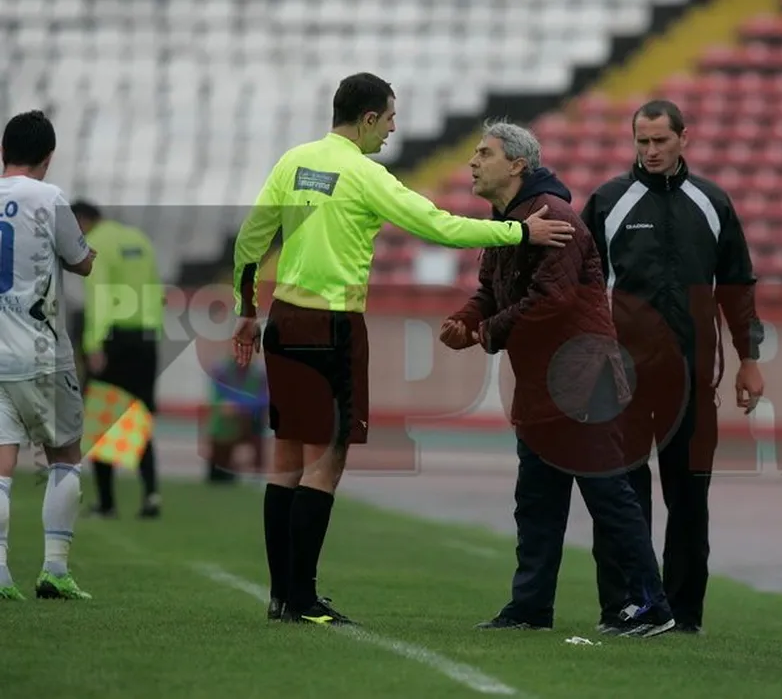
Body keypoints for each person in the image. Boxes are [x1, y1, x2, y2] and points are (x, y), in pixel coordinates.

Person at [230, 73, 577, 626]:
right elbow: (438, 226)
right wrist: (518, 233)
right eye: (389, 118)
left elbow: (251, 240)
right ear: (368, 118)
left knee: (286, 460)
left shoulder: (293, 161)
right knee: (325, 462)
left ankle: (280, 596)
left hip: (285, 319)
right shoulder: (365, 173)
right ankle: (302, 599)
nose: (393, 129)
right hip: (333, 325)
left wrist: (246, 310)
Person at [440, 119, 676, 637]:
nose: (473, 162)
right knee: (537, 503)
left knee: (609, 498)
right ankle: (530, 608)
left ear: (517, 165)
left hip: (583, 377)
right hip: (541, 384)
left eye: (484, 153)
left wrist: (486, 332)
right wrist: (466, 319)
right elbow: (490, 290)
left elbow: (554, 299)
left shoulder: (554, 217)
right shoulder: (507, 223)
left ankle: (651, 605)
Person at [581, 100, 765, 634]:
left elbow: (737, 286)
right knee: (622, 496)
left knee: (689, 499)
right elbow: (582, 289)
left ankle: (684, 615)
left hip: (693, 378)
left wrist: (749, 360)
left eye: (660, 140)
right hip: (620, 376)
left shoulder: (713, 202)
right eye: (642, 141)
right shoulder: (608, 201)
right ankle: (625, 607)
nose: (651, 151)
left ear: (685, 138)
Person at [0, 110, 96, 601]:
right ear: (48, 157)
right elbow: (81, 261)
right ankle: (54, 569)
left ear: (3, 152)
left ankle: (0, 573)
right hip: (41, 352)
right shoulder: (50, 198)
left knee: (1, 465)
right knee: (65, 455)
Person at [72, 200, 164, 519]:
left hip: (113, 339)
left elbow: (99, 297)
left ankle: (107, 502)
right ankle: (151, 495)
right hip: (146, 339)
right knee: (139, 417)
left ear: (82, 221)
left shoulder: (96, 243)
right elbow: (156, 289)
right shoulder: (139, 240)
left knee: (103, 418)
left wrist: (93, 344)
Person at [203, 354, 268, 484]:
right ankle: (222, 468)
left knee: (255, 426)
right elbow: (216, 400)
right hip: (226, 424)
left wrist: (240, 406)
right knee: (222, 423)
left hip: (249, 422)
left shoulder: (258, 375)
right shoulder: (222, 372)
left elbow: (263, 400)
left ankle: (255, 472)